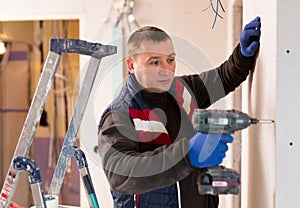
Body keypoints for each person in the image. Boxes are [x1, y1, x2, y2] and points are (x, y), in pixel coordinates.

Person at [98, 16, 261, 208]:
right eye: (154, 62)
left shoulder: (182, 90)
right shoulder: (119, 114)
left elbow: (222, 78)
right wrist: (187, 154)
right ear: (131, 65)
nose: (166, 69)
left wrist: (242, 56)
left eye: (170, 60)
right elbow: (120, 174)